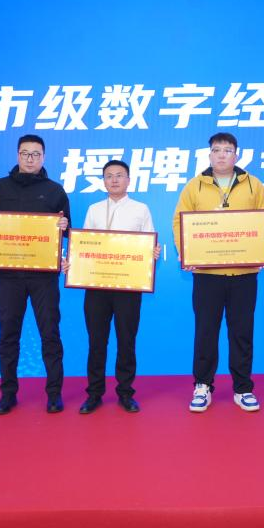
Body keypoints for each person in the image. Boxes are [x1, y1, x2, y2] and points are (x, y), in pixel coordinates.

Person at [171, 132, 264, 413]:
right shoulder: (195, 186)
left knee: (242, 332)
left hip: (244, 274)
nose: (222, 155)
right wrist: (186, 252)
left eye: (227, 150)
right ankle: (202, 386)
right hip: (207, 275)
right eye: (217, 150)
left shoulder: (253, 184)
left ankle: (243, 388)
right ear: (209, 155)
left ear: (236, 155)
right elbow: (179, 221)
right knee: (205, 331)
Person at [0, 134, 71, 415]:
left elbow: (68, 231)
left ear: (44, 157)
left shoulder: (55, 191)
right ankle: (8, 394)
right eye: (25, 153)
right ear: (18, 155)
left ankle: (54, 394)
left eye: (36, 154)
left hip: (44, 277)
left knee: (50, 334)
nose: (30, 159)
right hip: (9, 276)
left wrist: (64, 226)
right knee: (8, 335)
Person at [69, 160, 159, 414]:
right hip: (97, 286)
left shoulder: (141, 209)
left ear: (129, 180)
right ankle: (94, 393)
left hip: (128, 287)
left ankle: (126, 393)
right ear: (104, 181)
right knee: (97, 341)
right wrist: (74, 261)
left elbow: (149, 245)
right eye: (109, 176)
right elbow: (84, 245)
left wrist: (152, 253)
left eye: (120, 175)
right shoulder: (94, 209)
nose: (115, 180)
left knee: (126, 341)